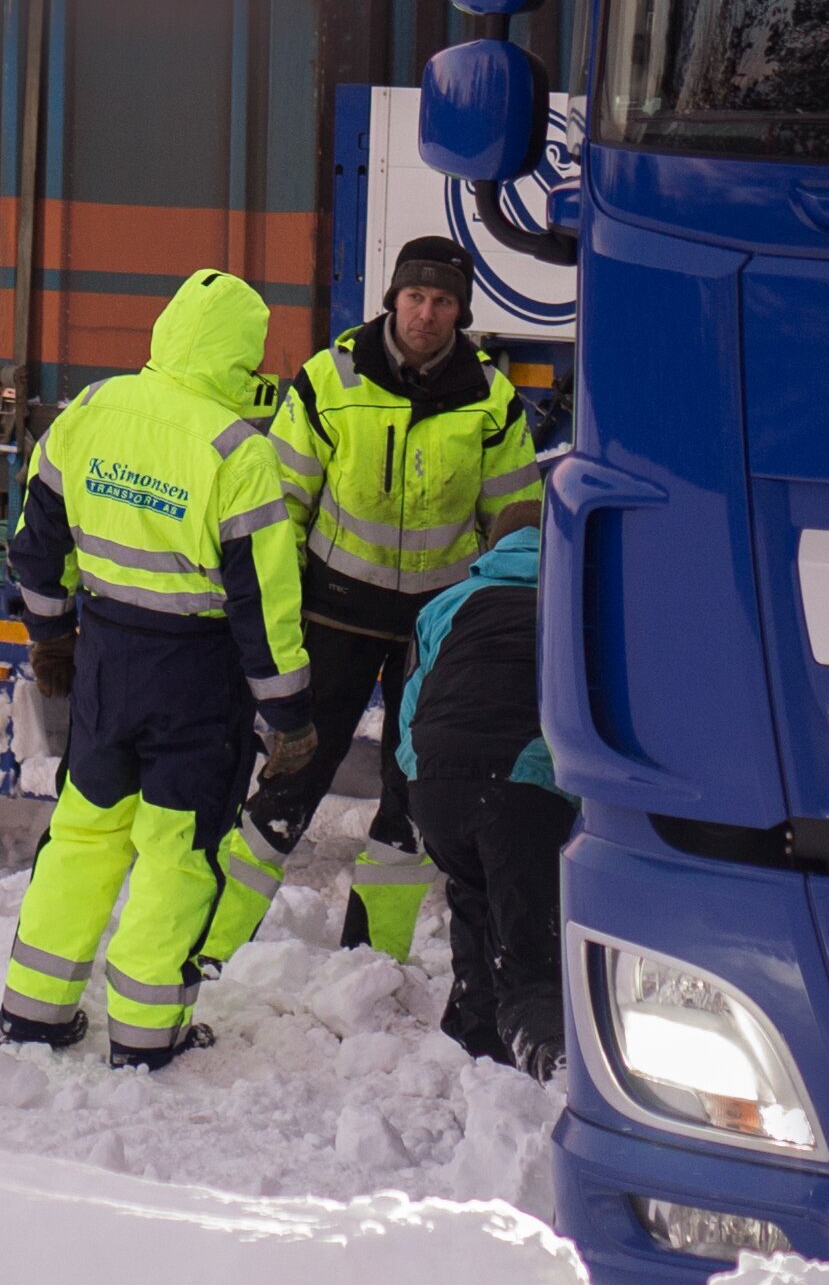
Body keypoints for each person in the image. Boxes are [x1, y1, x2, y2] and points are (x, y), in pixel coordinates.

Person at [0, 268, 314, 1070]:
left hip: (105, 661)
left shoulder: (91, 412)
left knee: (83, 832)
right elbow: (264, 605)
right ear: (240, 354)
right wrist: (290, 716)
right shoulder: (236, 449)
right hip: (196, 681)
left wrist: (51, 636)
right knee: (177, 851)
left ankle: (34, 1011)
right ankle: (144, 1033)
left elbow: (32, 549)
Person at [208, 236, 543, 967]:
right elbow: (282, 507)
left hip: (435, 636)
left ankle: (373, 962)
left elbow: (516, 528)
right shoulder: (328, 380)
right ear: (392, 299)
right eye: (416, 296)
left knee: (414, 798)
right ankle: (214, 946)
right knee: (290, 781)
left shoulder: (491, 401)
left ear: (461, 312)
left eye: (444, 301)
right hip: (333, 620)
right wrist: (280, 615)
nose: (427, 313)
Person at [397, 518, 568, 1073]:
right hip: (521, 789)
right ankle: (545, 1061)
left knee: (474, 894)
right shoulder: (577, 601)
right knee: (528, 944)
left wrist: (418, 776)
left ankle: (475, 1039)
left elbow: (410, 707)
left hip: (435, 786)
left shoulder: (446, 604)